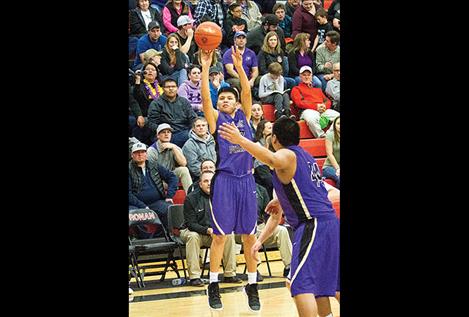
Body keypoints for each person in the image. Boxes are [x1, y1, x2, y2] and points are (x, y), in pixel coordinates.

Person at [217, 116, 340, 317]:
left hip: (313, 224)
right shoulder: (304, 157)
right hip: (326, 223)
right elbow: (277, 215)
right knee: (321, 285)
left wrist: (240, 140)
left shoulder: (286, 156)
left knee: (298, 284)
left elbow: (272, 159)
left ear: (274, 139)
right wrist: (259, 242)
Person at [200, 47, 261, 312]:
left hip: (247, 180)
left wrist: (238, 67)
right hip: (224, 182)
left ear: (236, 103)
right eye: (221, 97)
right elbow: (205, 99)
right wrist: (205, 68)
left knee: (249, 236)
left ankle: (252, 284)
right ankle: (213, 284)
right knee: (220, 237)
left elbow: (246, 92)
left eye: (229, 98)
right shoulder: (217, 120)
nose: (224, 100)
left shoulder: (245, 117)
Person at [180, 170, 243, 286]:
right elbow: (191, 224)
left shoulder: (223, 197)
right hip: (195, 231)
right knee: (193, 237)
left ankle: (230, 274)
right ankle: (194, 277)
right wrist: (208, 230)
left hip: (214, 233)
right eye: (206, 181)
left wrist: (220, 230)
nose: (209, 183)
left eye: (212, 181)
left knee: (229, 234)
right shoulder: (191, 198)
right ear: (200, 184)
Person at [129, 142, 179, 233]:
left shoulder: (154, 165)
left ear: (146, 154)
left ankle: (163, 236)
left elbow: (172, 177)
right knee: (133, 214)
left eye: (142, 152)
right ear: (132, 155)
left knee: (169, 209)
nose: (140, 154)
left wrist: (169, 196)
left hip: (155, 202)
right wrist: (143, 206)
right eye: (137, 152)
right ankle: (142, 240)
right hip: (136, 204)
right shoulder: (129, 169)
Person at [147, 78, 197, 148]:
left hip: (184, 131)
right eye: (168, 87)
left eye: (173, 86)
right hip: (167, 134)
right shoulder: (156, 103)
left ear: (177, 88)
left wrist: (193, 129)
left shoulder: (184, 101)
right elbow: (152, 123)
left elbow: (193, 118)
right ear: (163, 89)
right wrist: (165, 131)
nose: (171, 89)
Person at [290, 65, 339, 138]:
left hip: (322, 110)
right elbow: (299, 103)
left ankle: (329, 135)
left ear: (311, 76)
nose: (306, 77)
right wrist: (316, 106)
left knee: (338, 117)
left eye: (308, 75)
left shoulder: (317, 89)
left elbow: (327, 100)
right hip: (307, 110)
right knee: (311, 117)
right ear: (300, 76)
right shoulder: (296, 89)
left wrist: (324, 106)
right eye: (304, 75)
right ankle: (321, 136)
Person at [146, 123, 193, 192]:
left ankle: (191, 197)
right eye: (163, 132)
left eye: (168, 132)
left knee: (184, 170)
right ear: (158, 136)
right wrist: (171, 183)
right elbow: (151, 173)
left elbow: (183, 163)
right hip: (157, 179)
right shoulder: (152, 150)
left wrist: (174, 149)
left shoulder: (174, 147)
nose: (166, 134)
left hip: (170, 176)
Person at [132, 62, 163, 145]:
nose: (150, 71)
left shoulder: (162, 85)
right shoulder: (140, 85)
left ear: (156, 73)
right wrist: (138, 81)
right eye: (147, 70)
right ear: (143, 73)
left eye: (153, 70)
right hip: (146, 115)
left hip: (161, 114)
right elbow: (136, 97)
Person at [182, 117, 217, 181]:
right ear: (193, 129)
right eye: (198, 126)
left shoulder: (212, 141)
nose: (201, 127)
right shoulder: (189, 145)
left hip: (215, 175)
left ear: (207, 128)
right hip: (199, 179)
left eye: (203, 125)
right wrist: (210, 175)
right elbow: (194, 167)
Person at [322, 116, 340, 189]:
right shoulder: (330, 135)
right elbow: (329, 154)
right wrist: (338, 169)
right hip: (330, 167)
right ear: (334, 125)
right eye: (338, 123)